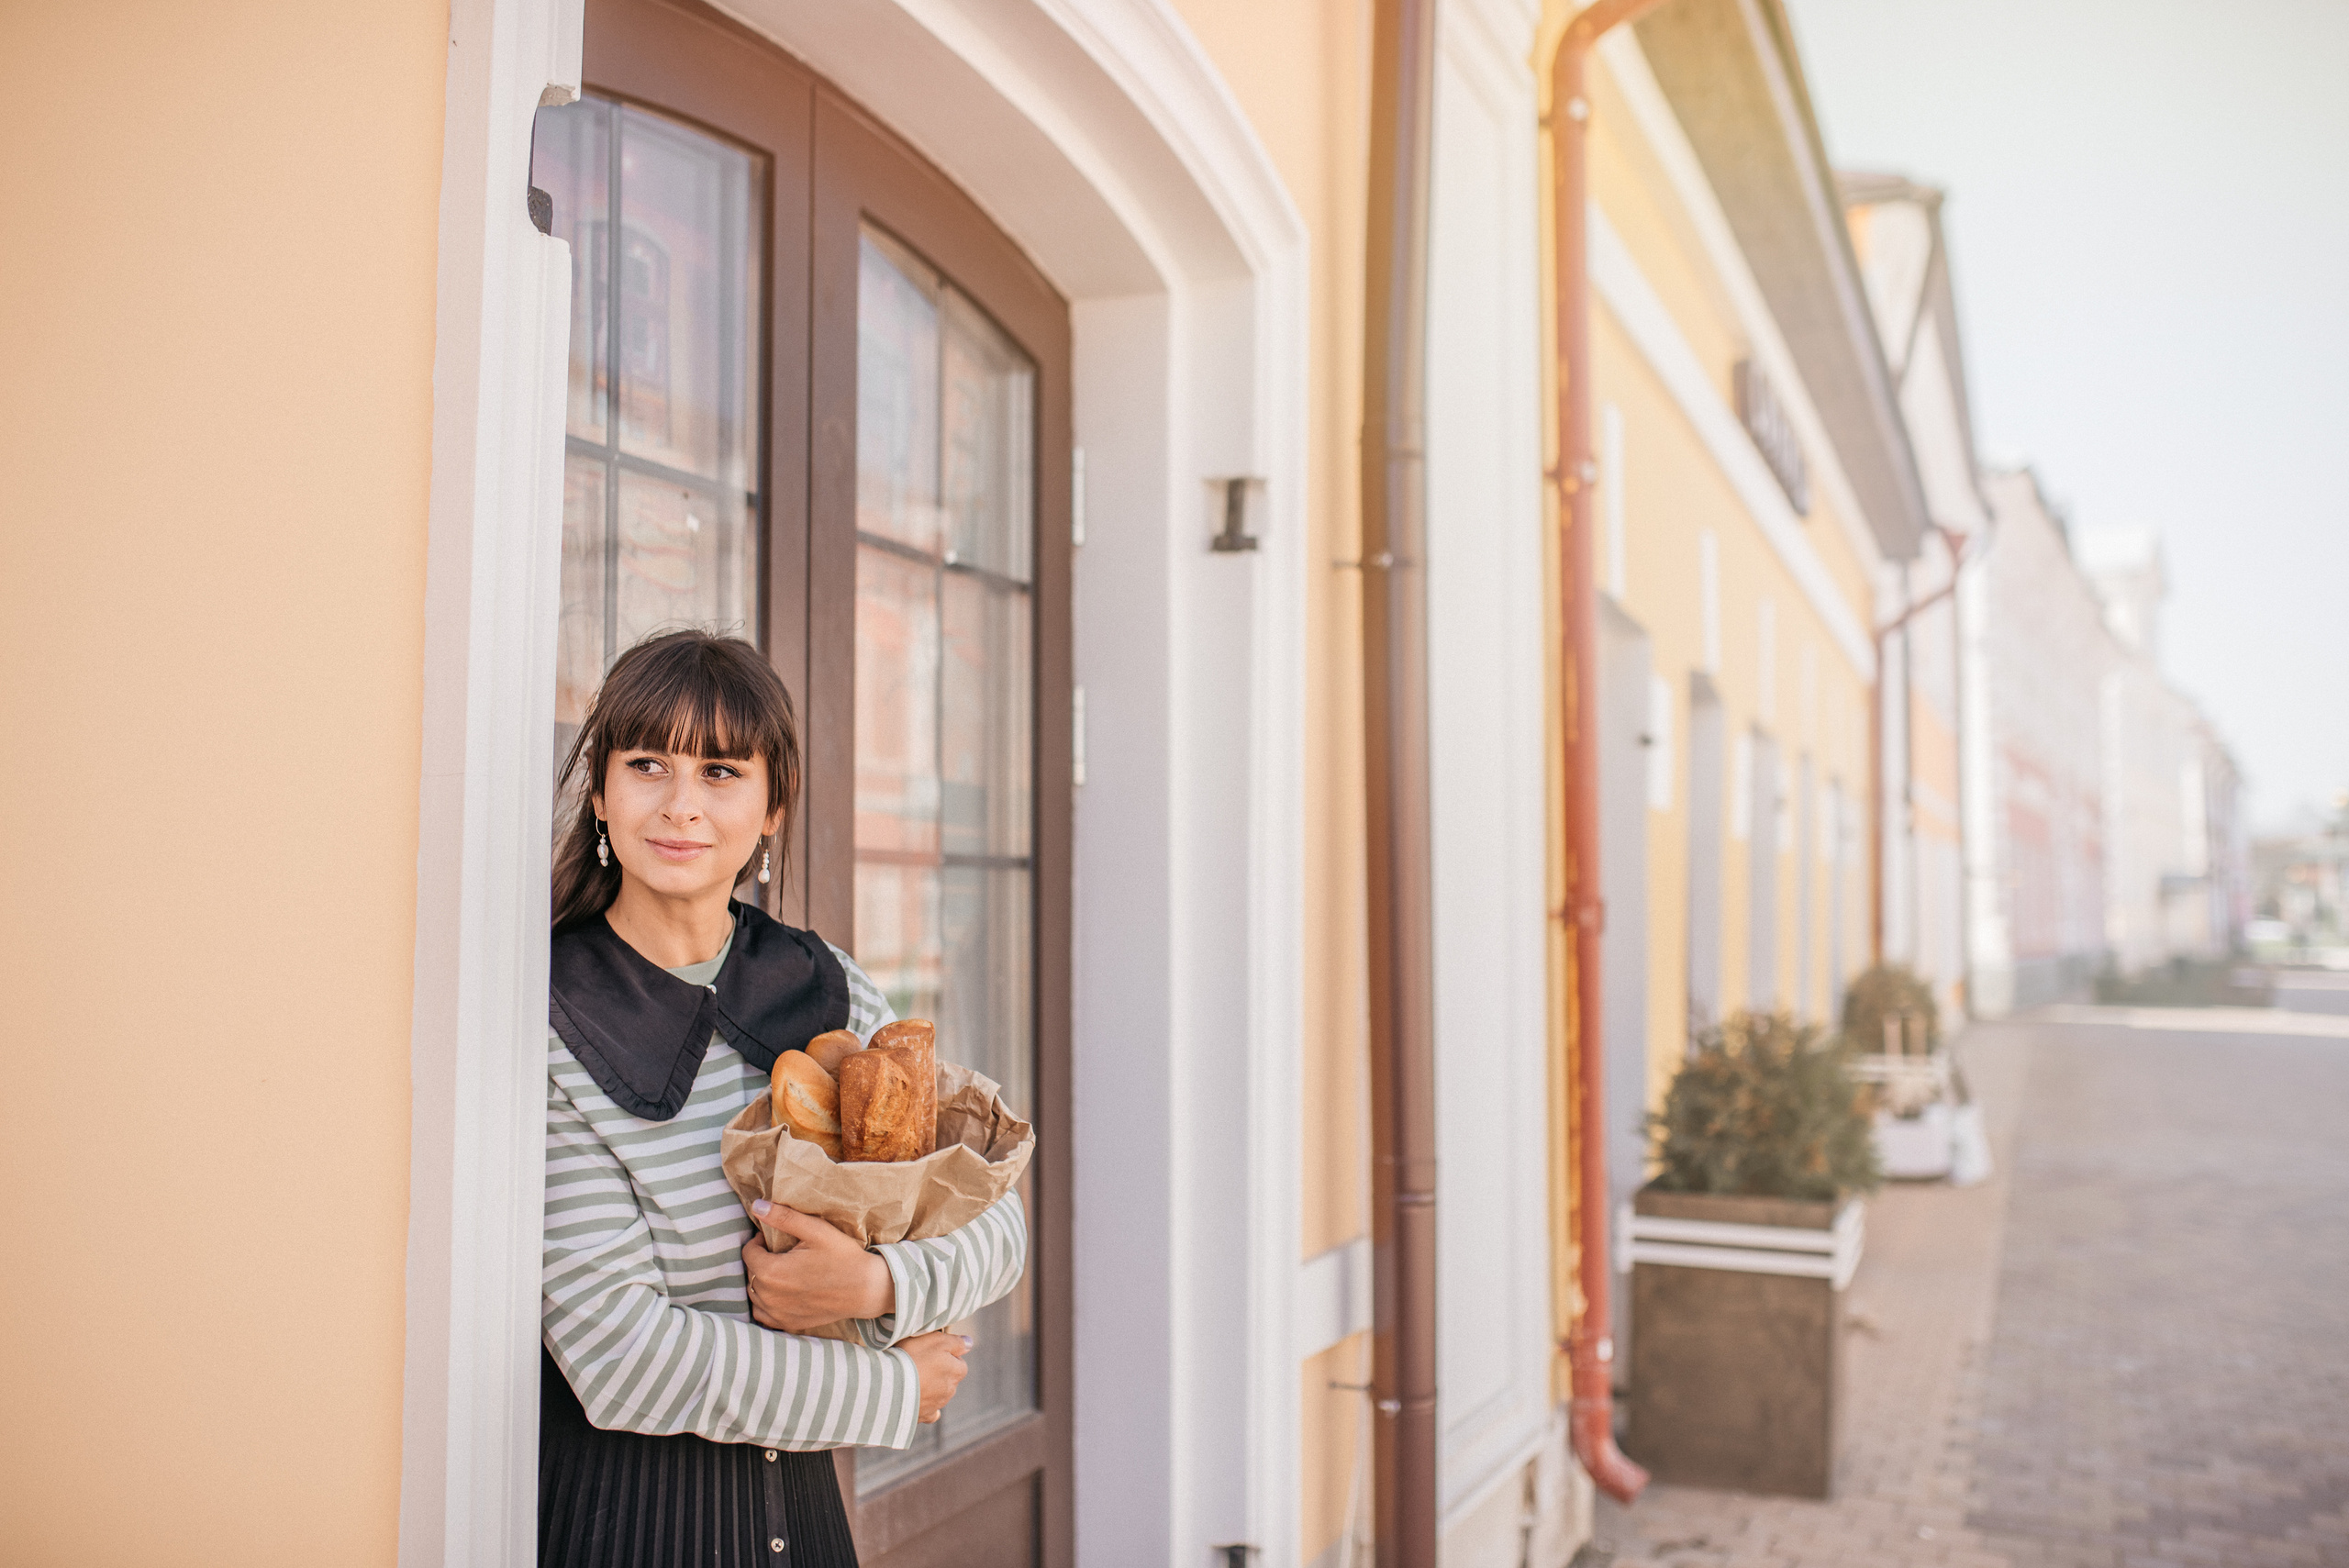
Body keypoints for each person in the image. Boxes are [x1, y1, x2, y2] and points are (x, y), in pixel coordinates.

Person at [538, 629, 1028, 1567]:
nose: (681, 804)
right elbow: (619, 1352)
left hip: (804, 1521)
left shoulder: (828, 989)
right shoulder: (551, 1015)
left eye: (721, 770)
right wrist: (886, 1390)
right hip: (627, 1523)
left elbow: (994, 1222)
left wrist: (876, 1284)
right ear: (600, 792)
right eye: (648, 764)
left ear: (773, 807)